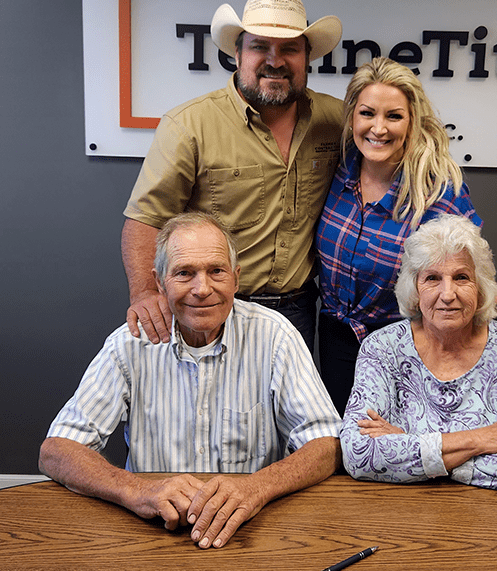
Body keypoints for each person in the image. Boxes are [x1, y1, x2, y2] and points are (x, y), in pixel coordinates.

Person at [39, 212, 342, 549]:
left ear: (236, 278)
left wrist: (256, 487)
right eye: (184, 273)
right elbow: (57, 451)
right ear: (159, 282)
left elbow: (326, 444)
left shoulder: (275, 336)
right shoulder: (130, 343)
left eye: (216, 271)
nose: (202, 289)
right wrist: (137, 490)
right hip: (151, 532)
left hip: (252, 531)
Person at [122, 0, 344, 350]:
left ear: (308, 57)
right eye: (260, 47)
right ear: (238, 55)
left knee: (287, 410)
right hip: (210, 308)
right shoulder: (189, 125)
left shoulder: (337, 121)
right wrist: (145, 293)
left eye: (290, 48)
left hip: (299, 312)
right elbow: (146, 219)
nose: (275, 60)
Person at [316, 57, 497, 414]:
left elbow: (469, 267)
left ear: (412, 122)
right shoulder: (339, 168)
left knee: (393, 452)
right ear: (351, 118)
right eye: (367, 113)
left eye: (393, 116)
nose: (378, 128)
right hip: (334, 339)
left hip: (402, 345)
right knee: (342, 448)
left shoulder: (437, 190)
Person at [340, 214, 497, 493]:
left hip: (496, 522)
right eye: (432, 278)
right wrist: (478, 440)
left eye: (461, 277)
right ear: (415, 289)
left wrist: (412, 447)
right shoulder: (382, 348)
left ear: (482, 288)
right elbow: (357, 452)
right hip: (399, 519)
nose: (448, 294)